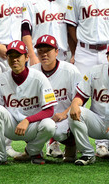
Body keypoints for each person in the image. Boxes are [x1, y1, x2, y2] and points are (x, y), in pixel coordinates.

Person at [0, 40, 57, 166]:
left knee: (50, 125)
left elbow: (50, 110)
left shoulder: (39, 78)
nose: (14, 59)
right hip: (10, 126)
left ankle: (33, 151)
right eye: (11, 56)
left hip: (32, 126)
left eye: (18, 56)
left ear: (27, 57)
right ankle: (0, 155)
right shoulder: (1, 79)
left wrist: (27, 120)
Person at [30, 34, 81, 162]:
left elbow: (80, 98)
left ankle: (71, 144)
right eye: (40, 51)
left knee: (57, 131)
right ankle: (31, 151)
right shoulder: (32, 71)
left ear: (57, 52)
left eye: (48, 50)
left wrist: (64, 114)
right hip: (43, 116)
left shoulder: (70, 70)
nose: (44, 54)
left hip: (66, 116)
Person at [22, 0, 70, 65]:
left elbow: (72, 31)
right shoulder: (29, 2)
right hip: (38, 56)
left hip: (63, 56)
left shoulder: (68, 2)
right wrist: (32, 56)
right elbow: (25, 31)